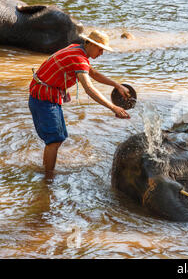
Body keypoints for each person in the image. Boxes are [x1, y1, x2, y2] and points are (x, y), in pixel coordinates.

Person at [28, 30, 131, 178]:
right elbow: (89, 88)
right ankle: (48, 179)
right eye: (100, 49)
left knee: (59, 136)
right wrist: (113, 107)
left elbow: (93, 74)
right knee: (54, 139)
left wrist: (117, 85)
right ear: (88, 43)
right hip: (43, 98)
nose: (101, 53)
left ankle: (47, 169)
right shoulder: (78, 58)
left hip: (45, 95)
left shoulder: (76, 49)